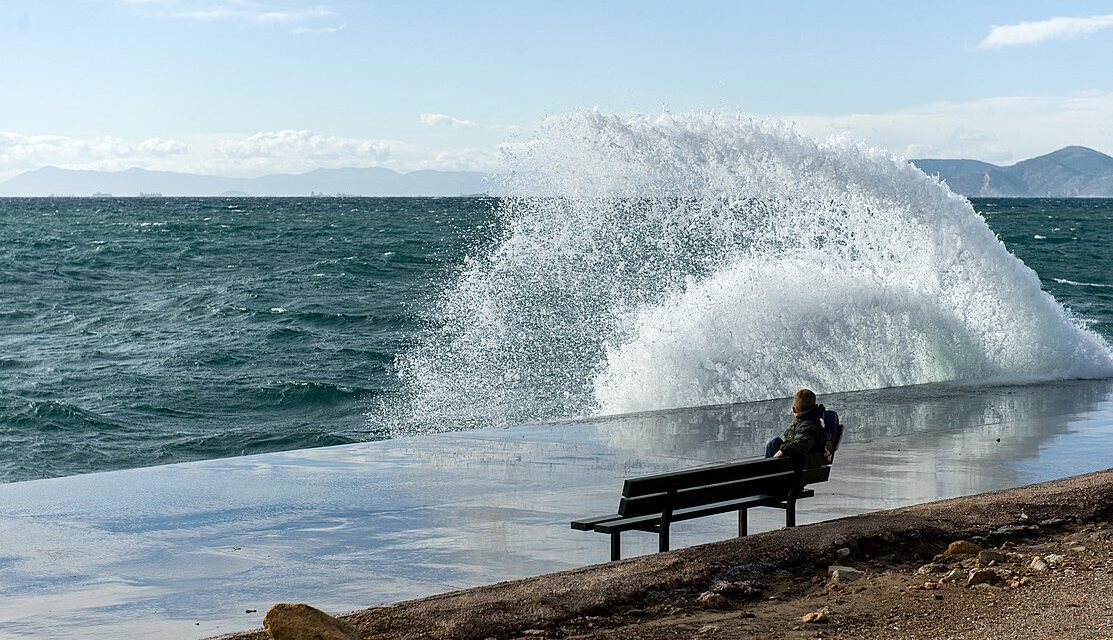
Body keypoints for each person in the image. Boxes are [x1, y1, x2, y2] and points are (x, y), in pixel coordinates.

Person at [765, 388, 825, 458]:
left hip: (800, 461)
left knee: (772, 444)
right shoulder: (807, 421)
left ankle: (767, 466)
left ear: (794, 409)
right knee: (774, 443)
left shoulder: (808, 425)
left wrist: (783, 450)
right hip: (798, 456)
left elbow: (802, 443)